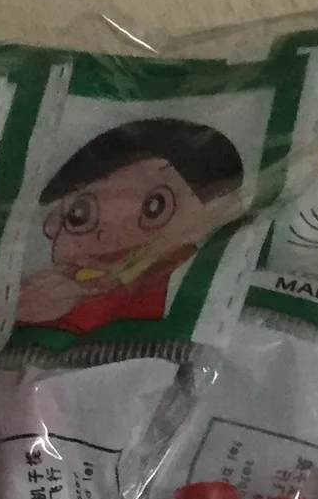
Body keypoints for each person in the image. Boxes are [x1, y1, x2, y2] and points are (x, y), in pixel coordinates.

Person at [17, 118, 245, 336]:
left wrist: (81, 301)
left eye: (155, 207)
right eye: (79, 215)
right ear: (54, 223)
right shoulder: (52, 284)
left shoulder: (183, 270)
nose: (106, 236)